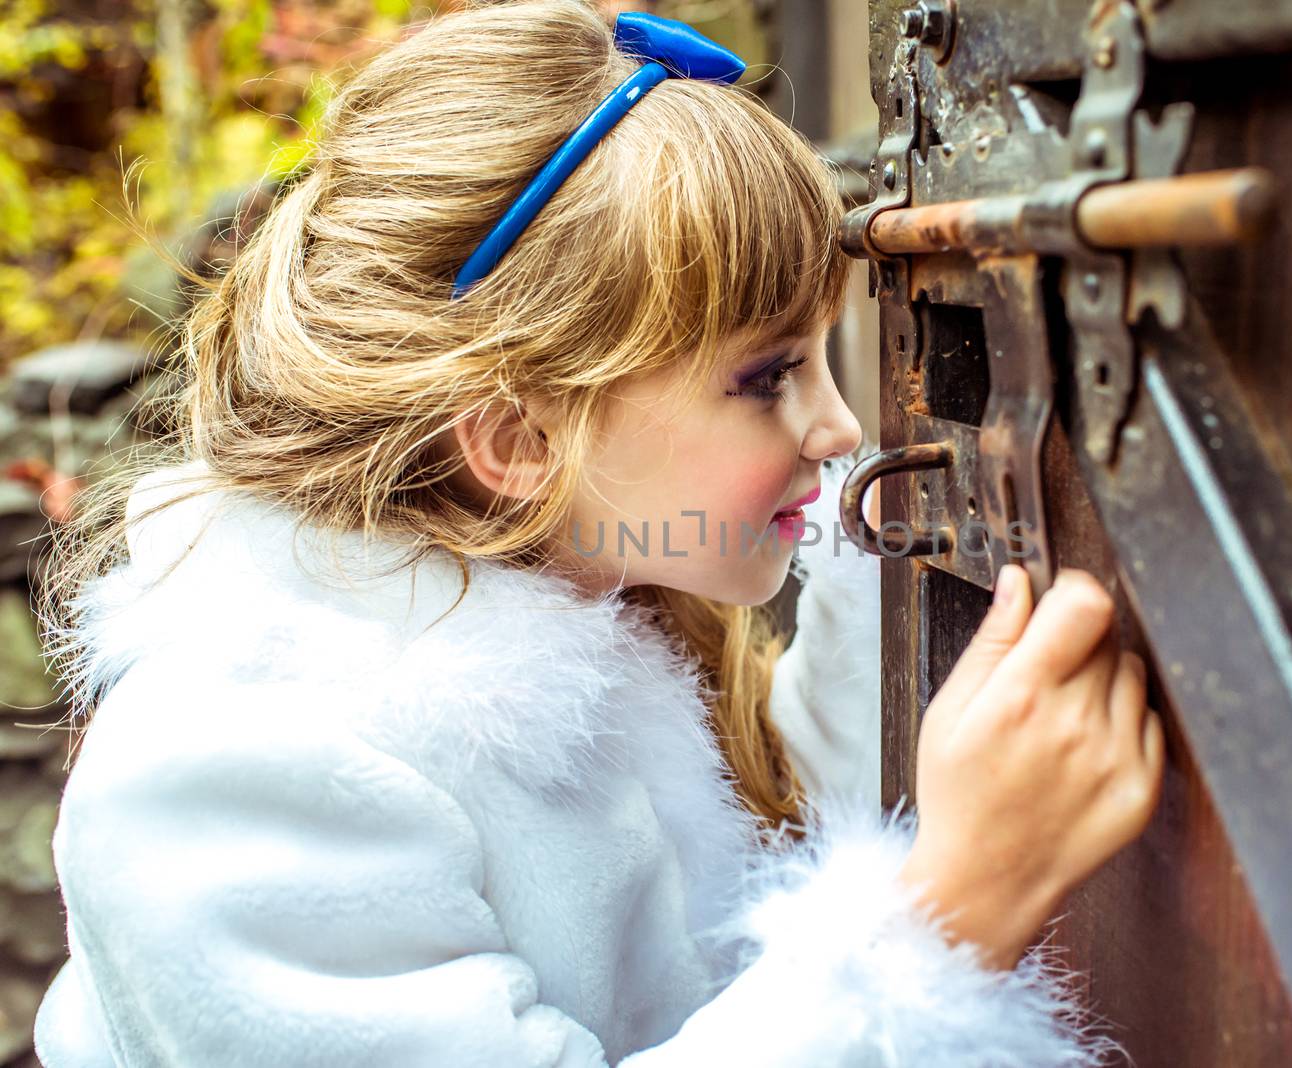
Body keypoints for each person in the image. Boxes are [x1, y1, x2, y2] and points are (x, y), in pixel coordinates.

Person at [31, 3, 1164, 1064]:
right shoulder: (235, 779)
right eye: (767, 376)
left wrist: (905, 563)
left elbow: (757, 867)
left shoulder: (583, 604)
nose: (839, 428)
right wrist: (947, 916)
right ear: (519, 442)